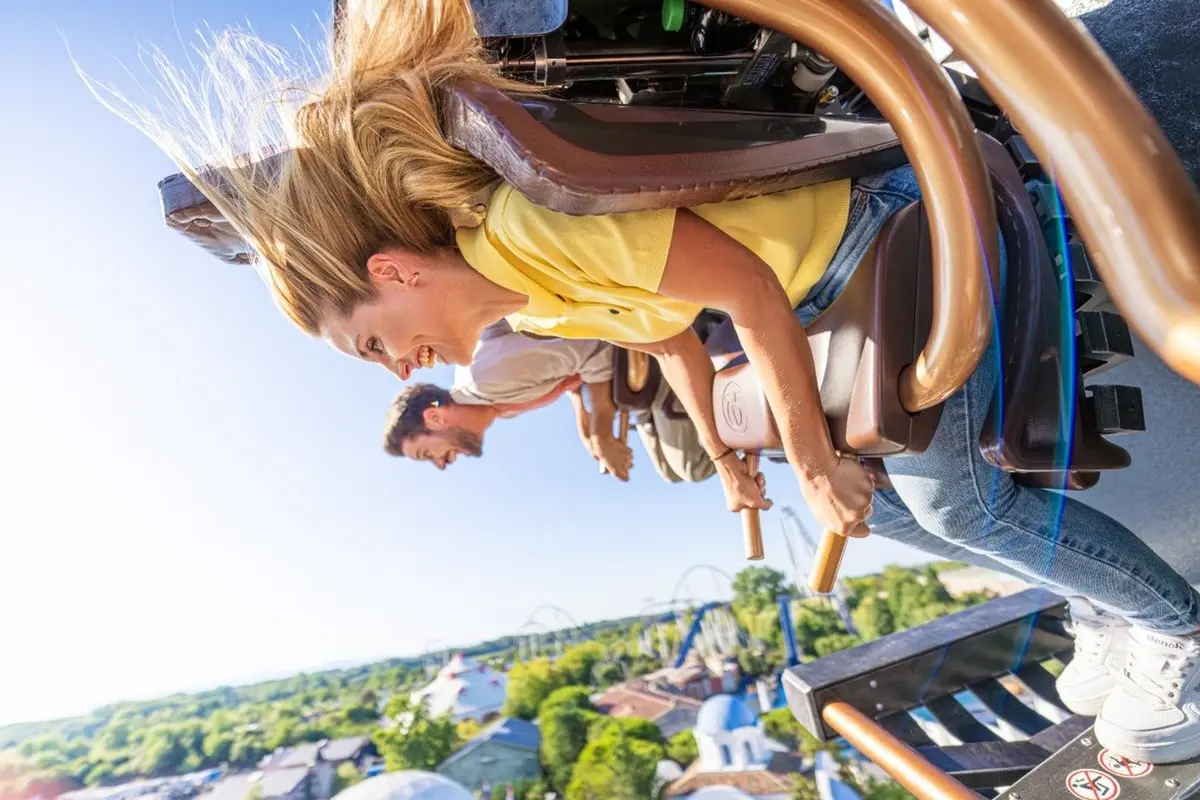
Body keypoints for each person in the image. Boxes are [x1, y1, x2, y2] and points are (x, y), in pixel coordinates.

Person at [93, 0, 1200, 763]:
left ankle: (1176, 633)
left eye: (376, 345)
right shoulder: (530, 303)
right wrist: (741, 460)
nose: (401, 363)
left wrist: (813, 456)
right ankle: (1104, 603)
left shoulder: (528, 231)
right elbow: (672, 338)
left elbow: (749, 296)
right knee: (892, 516)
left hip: (872, 230)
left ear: (394, 273)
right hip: (823, 287)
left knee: (956, 504)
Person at [381, 320, 715, 483]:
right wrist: (587, 434)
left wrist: (601, 430)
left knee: (692, 468)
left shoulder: (487, 377)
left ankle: (712, 359)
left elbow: (593, 348)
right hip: (619, 378)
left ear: (435, 418)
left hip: (636, 348)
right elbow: (569, 377)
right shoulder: (499, 407)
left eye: (428, 454)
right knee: (671, 473)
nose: (442, 464)